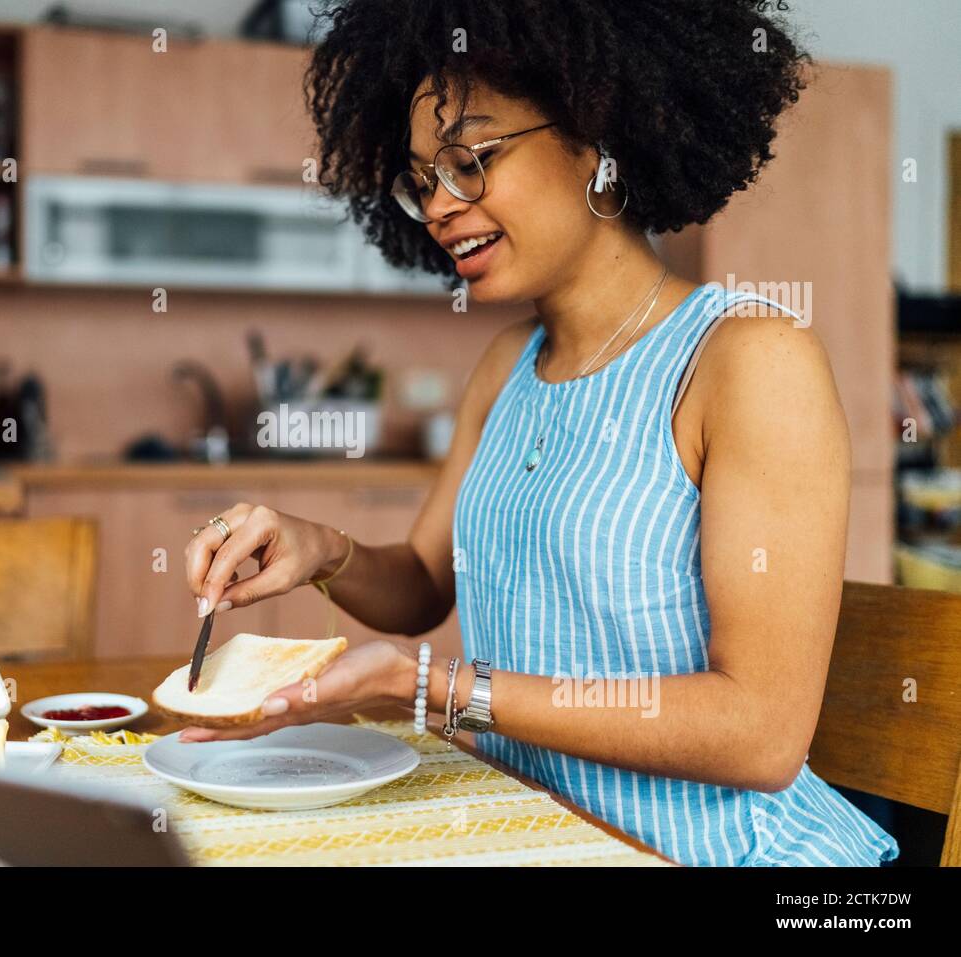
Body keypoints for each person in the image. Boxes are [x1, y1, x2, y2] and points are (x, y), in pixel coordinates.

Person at [181, 0, 897, 866]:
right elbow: (420, 587)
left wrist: (436, 692)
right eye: (422, 179)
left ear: (597, 139)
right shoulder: (507, 365)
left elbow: (761, 732)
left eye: (471, 161)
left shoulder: (747, 362)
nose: (441, 206)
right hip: (530, 835)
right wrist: (317, 549)